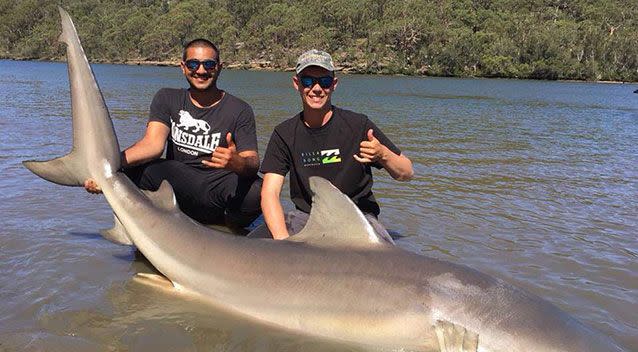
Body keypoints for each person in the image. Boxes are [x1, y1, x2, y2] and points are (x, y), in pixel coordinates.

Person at [85, 39, 261, 228]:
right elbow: (152, 145)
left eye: (209, 64)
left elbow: (252, 161)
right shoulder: (168, 98)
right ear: (183, 67)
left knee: (259, 191)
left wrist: (238, 162)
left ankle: (226, 232)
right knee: (136, 169)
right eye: (194, 64)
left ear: (219, 67)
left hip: (216, 185)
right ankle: (150, 227)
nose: (201, 71)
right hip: (178, 184)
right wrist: (107, 169)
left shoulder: (240, 109)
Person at [260, 50, 414, 240]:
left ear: (334, 85)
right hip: (307, 218)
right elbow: (270, 192)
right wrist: (283, 243)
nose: (316, 88)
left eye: (324, 81)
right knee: (262, 236)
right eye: (308, 81)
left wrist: (383, 154)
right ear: (296, 84)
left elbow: (406, 172)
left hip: (359, 218)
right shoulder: (284, 133)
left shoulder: (358, 126)